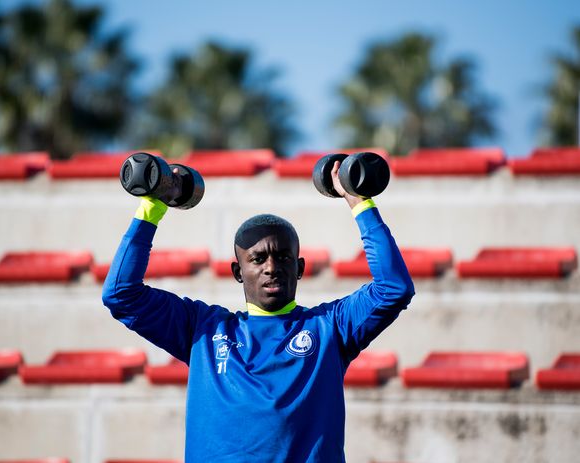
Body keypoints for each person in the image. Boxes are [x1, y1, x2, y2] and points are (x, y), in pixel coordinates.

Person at [102, 162, 415, 462]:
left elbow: (393, 288)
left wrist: (360, 202)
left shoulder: (329, 328)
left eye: (282, 257)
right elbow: (120, 293)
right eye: (258, 258)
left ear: (300, 267)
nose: (271, 268)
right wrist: (151, 208)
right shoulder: (202, 329)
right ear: (238, 271)